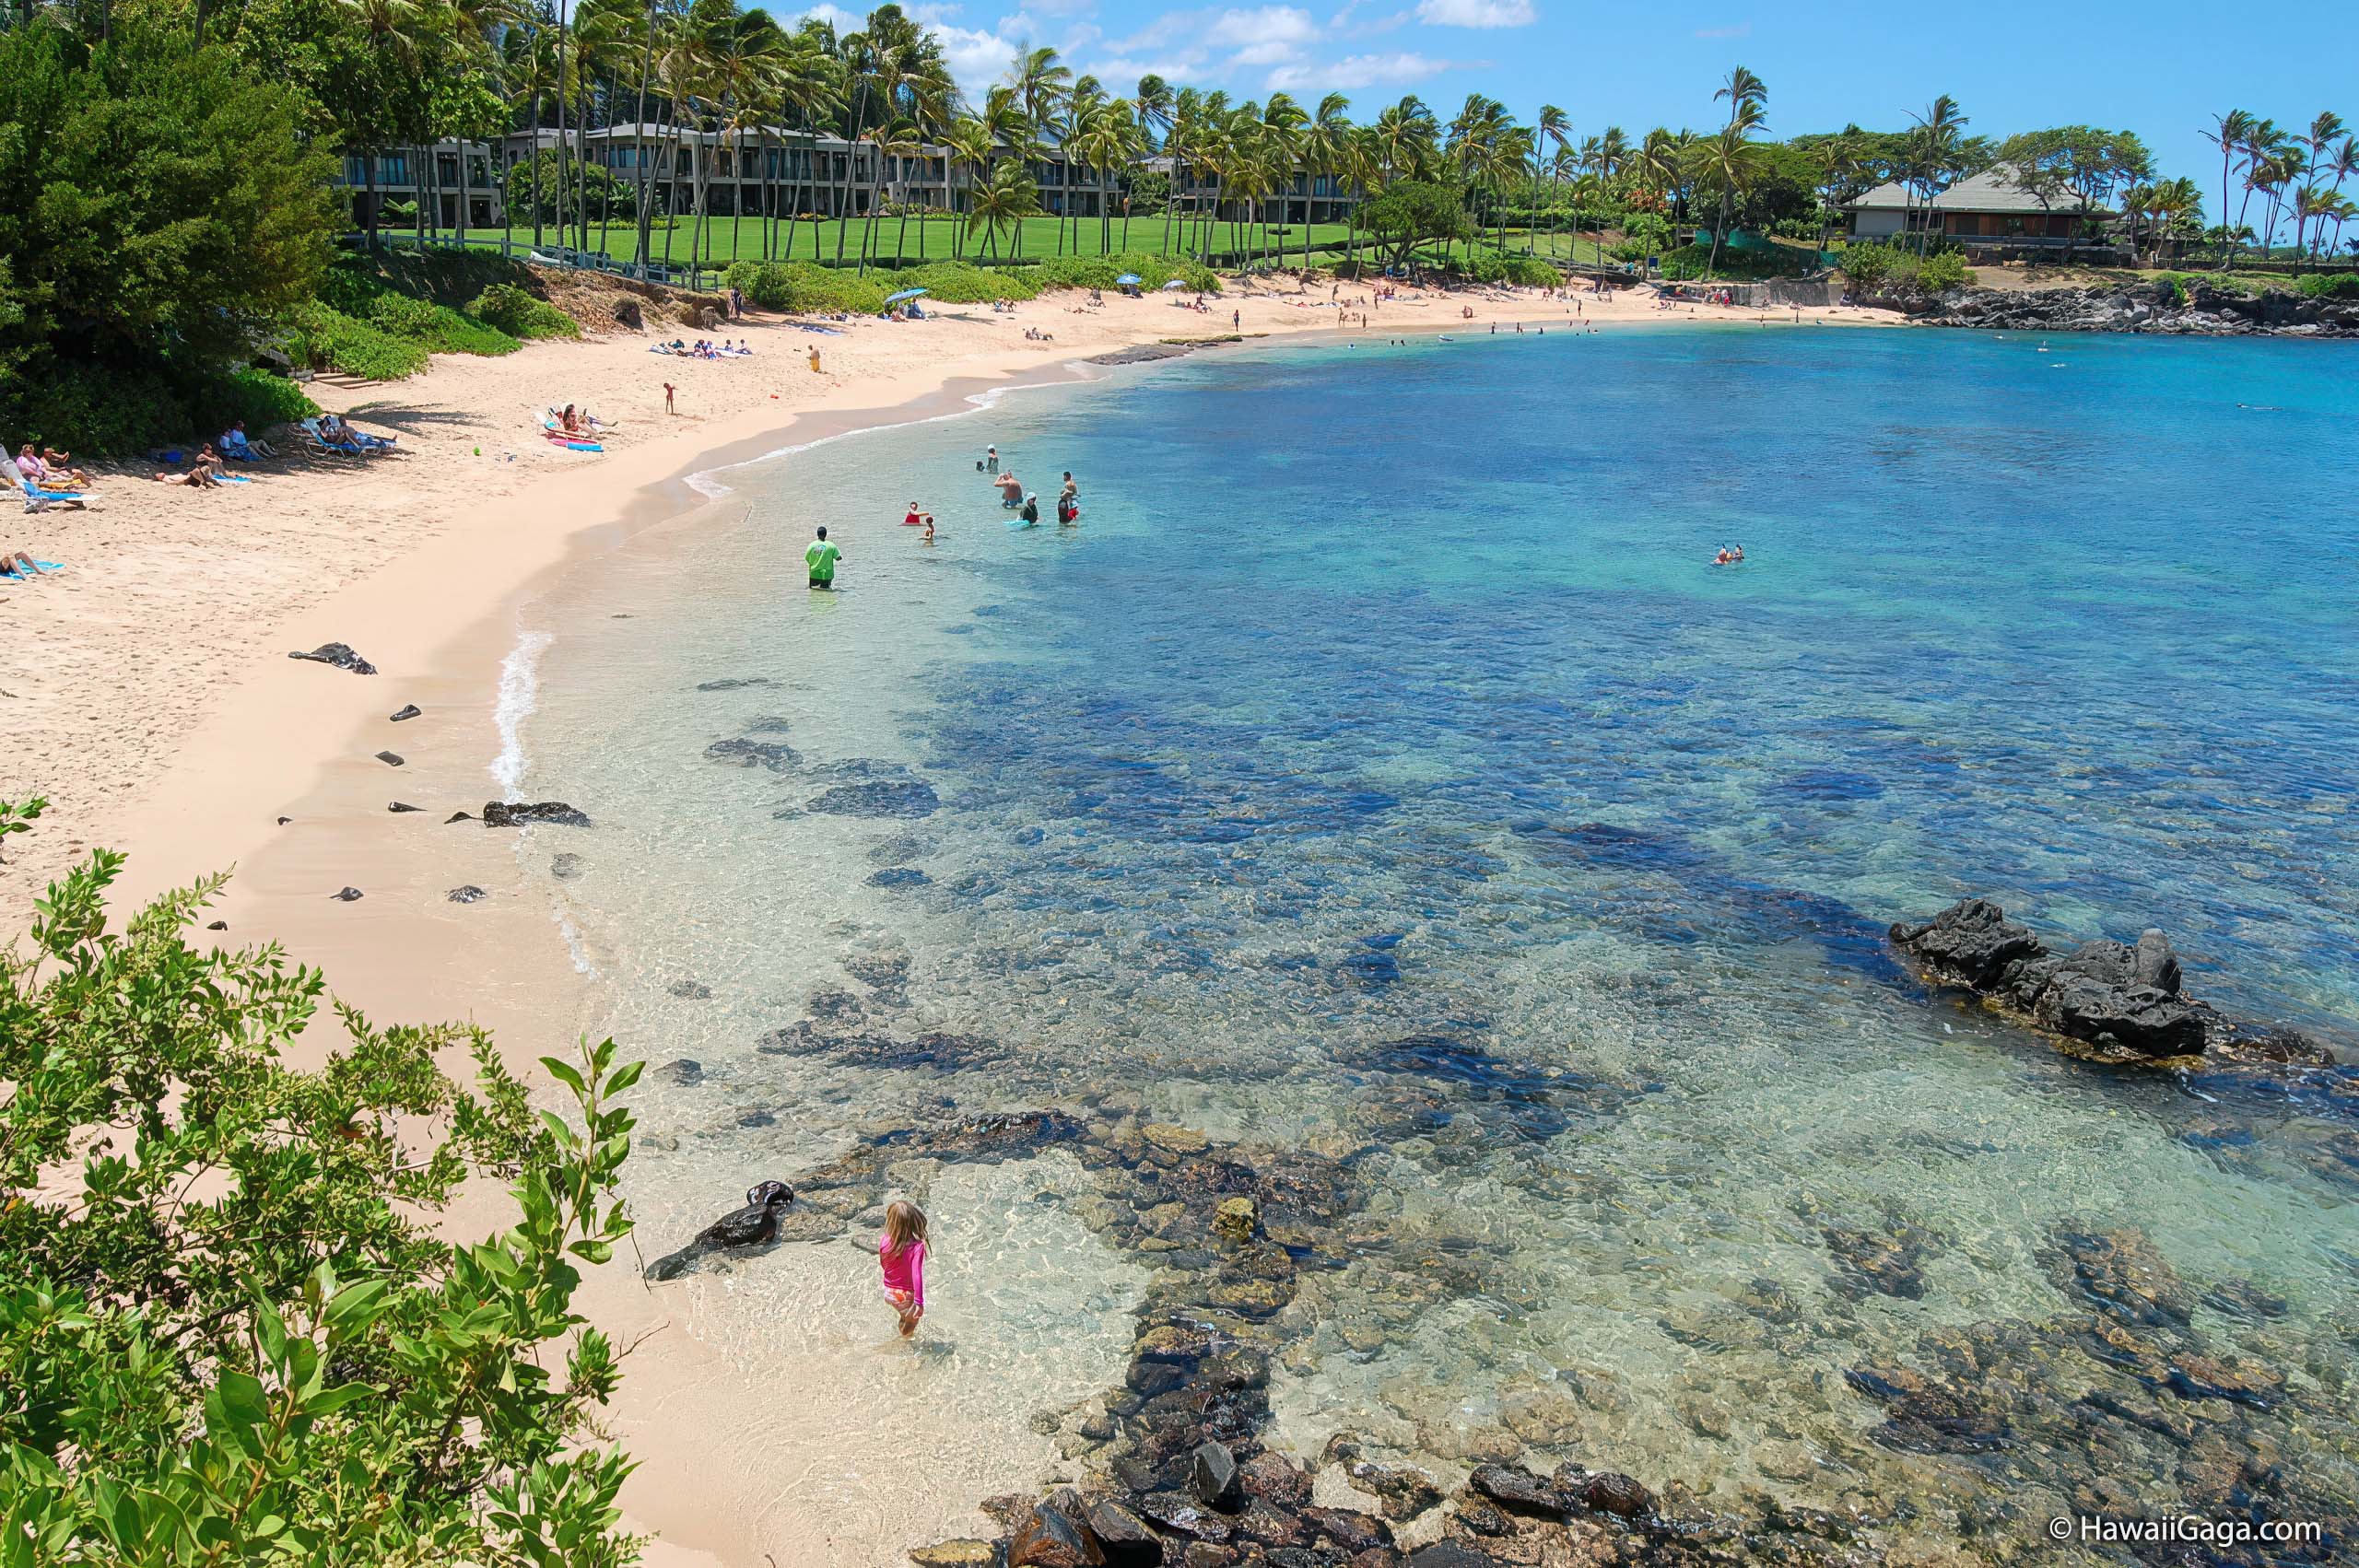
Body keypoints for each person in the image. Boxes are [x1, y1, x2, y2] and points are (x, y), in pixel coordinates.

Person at [878, 1199, 928, 1337]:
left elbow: (883, 1263)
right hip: (904, 1295)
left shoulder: (885, 1239)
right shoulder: (916, 1247)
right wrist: (919, 1302)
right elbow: (917, 1275)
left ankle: (902, 1331)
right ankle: (902, 1342)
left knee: (904, 1316)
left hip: (889, 1292)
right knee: (912, 1322)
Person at [805, 525, 841, 590]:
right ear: (826, 534)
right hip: (827, 574)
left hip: (814, 573)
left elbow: (807, 558)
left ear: (817, 534)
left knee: (813, 592)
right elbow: (838, 558)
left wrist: (814, 563)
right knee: (826, 592)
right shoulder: (831, 545)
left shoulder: (812, 545)